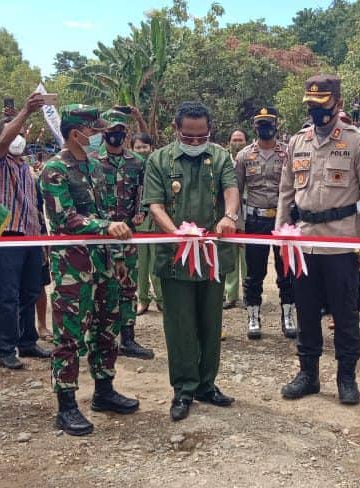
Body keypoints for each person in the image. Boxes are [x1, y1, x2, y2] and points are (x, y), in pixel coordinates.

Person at [276, 74, 360, 405]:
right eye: (311, 106)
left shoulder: (358, 142)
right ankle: (308, 374)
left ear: (338, 104)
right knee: (306, 312)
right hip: (304, 243)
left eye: (322, 106)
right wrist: (282, 233)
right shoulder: (298, 142)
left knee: (345, 315)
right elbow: (285, 191)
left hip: (341, 243)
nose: (316, 113)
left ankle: (346, 378)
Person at [39, 104, 140, 436]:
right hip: (73, 265)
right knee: (68, 335)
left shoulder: (96, 167)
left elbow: (109, 210)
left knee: (105, 327)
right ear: (75, 134)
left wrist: (117, 245)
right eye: (93, 131)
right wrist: (106, 225)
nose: (98, 136)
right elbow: (64, 218)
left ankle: (104, 390)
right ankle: (66, 405)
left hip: (104, 262)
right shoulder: (55, 170)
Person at [143, 101, 239, 421]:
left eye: (202, 136)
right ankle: (184, 388)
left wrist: (229, 216)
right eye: (189, 137)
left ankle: (206, 385)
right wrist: (177, 234)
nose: (196, 142)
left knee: (211, 324)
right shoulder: (159, 160)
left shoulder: (221, 157)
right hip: (175, 257)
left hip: (212, 256)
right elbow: (155, 205)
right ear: (176, 129)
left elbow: (231, 190)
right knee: (180, 325)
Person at [0, 92, 52, 370]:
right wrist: (25, 111)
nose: (16, 138)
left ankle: (27, 342)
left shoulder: (26, 167)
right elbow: (4, 140)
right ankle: (6, 349)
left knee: (30, 290)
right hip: (9, 238)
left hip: (31, 237)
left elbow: (35, 207)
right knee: (8, 296)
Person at [93, 109, 154, 360]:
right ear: (103, 133)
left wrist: (141, 212)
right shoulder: (92, 161)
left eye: (120, 131)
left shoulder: (136, 162)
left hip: (128, 233)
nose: (116, 135)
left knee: (128, 286)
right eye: (111, 131)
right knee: (102, 286)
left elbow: (144, 191)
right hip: (101, 235)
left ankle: (128, 338)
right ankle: (100, 339)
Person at [235, 107, 298, 340]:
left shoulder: (288, 154)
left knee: (286, 271)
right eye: (261, 124)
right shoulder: (244, 156)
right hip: (255, 220)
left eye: (269, 123)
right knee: (254, 272)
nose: (265, 128)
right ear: (255, 127)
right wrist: (238, 223)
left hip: (283, 220)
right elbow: (236, 190)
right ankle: (253, 316)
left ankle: (288, 315)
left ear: (276, 125)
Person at [133, 133, 164, 315]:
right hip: (139, 224)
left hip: (157, 223)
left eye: (145, 146)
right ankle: (142, 299)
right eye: (138, 147)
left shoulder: (157, 165)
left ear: (151, 148)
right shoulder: (131, 167)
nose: (142, 150)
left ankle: (161, 299)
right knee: (141, 266)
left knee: (157, 264)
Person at [222, 130, 248, 310]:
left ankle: (248, 294)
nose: (237, 143)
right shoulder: (223, 162)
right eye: (234, 140)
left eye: (241, 140)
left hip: (247, 212)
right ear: (229, 142)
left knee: (247, 258)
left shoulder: (249, 160)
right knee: (230, 255)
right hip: (229, 214)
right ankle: (230, 295)